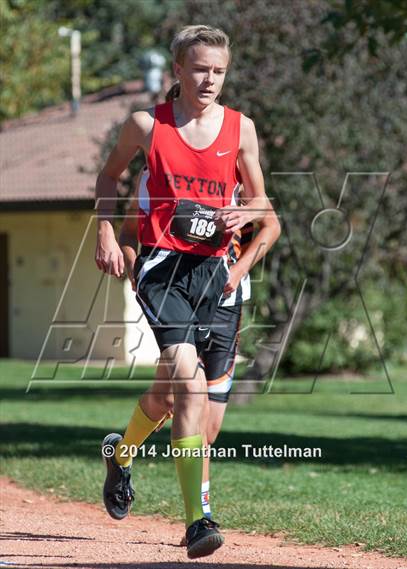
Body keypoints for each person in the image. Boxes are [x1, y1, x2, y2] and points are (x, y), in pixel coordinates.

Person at [95, 24, 271, 559]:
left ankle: (120, 453)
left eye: (218, 71)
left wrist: (249, 211)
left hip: (214, 273)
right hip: (162, 268)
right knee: (189, 387)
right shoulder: (147, 125)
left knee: (172, 399)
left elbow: (263, 204)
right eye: (200, 69)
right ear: (178, 70)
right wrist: (106, 229)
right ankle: (198, 522)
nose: (210, 79)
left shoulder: (241, 129)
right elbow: (109, 178)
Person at [118, 166, 280, 532]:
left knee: (198, 418)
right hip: (179, 296)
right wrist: (133, 266)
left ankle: (120, 454)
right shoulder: (160, 174)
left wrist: (238, 271)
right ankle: (200, 517)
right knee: (186, 402)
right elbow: (131, 228)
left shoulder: (238, 178)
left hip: (226, 304)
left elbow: (272, 226)